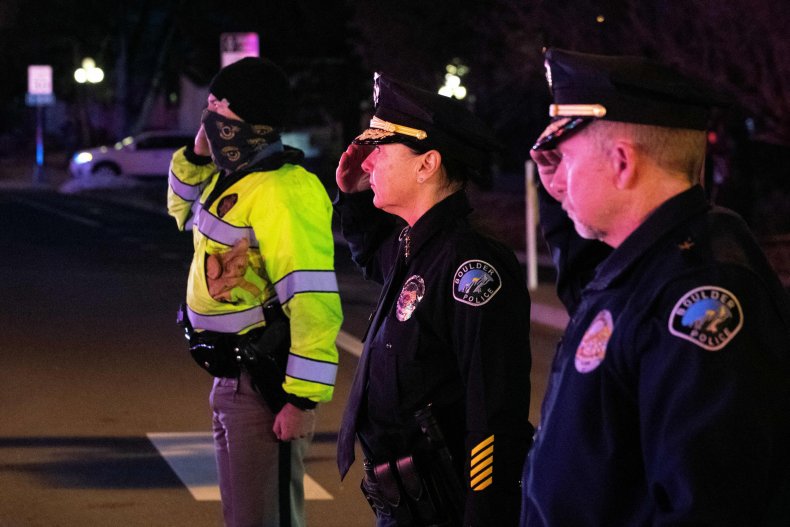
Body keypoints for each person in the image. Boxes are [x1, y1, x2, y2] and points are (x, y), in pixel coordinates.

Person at [520, 48, 790, 526]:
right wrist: (560, 189)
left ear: (622, 162)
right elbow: (593, 295)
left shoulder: (701, 292)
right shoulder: (649, 262)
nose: (558, 176)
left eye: (566, 159)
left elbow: (705, 509)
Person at [335, 73, 533, 526]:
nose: (368, 164)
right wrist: (351, 199)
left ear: (427, 165)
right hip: (406, 504)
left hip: (447, 509)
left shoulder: (470, 267)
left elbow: (493, 411)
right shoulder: (417, 246)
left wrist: (483, 514)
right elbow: (373, 259)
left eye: (380, 151)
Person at [167, 57, 342, 527]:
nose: (210, 117)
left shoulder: (285, 189)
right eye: (209, 106)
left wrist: (302, 400)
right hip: (229, 379)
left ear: (251, 118)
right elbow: (180, 211)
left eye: (220, 108)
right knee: (242, 517)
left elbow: (312, 299)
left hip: (266, 386)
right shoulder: (232, 176)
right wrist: (199, 155)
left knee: (266, 519)